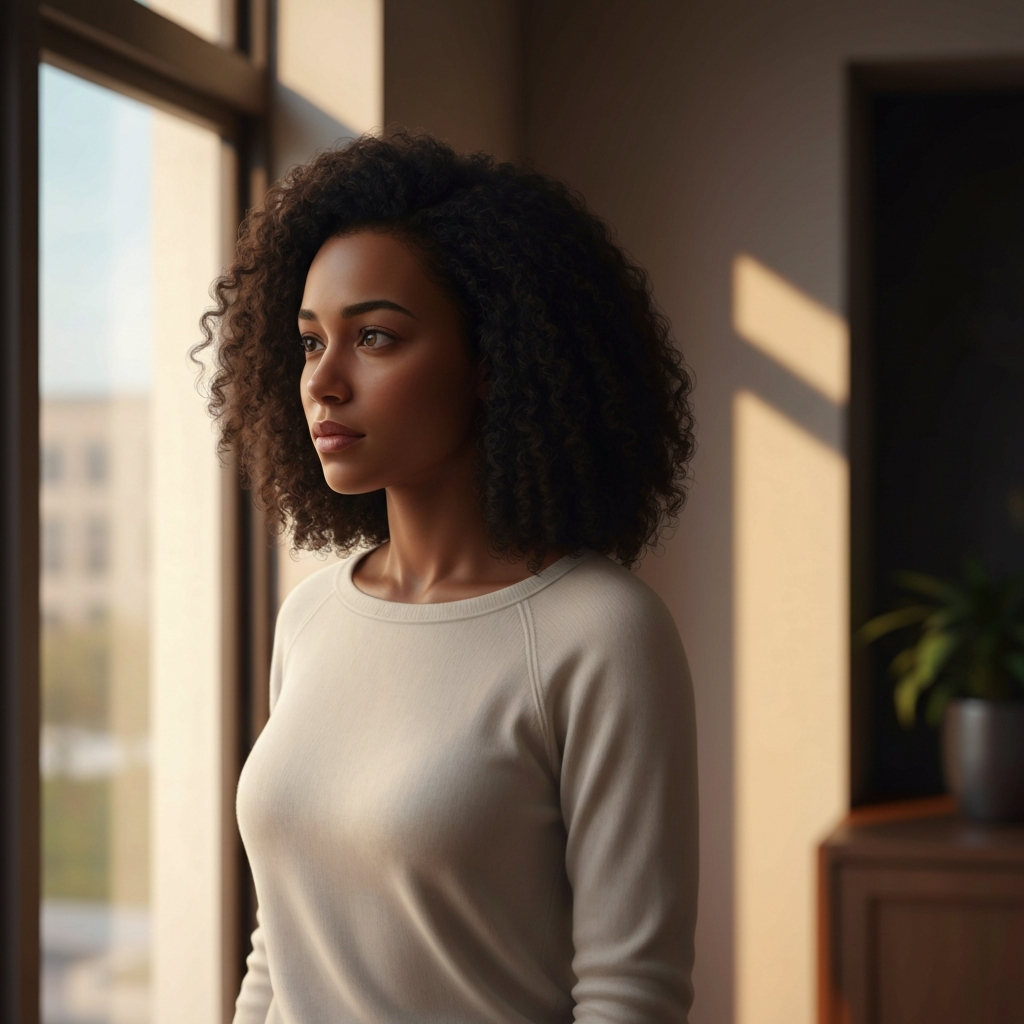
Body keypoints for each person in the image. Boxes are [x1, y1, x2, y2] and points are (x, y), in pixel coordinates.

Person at [197, 131, 699, 1024]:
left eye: (376, 337)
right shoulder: (311, 616)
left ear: (493, 362)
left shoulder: (601, 632)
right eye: (310, 343)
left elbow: (630, 996)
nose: (324, 382)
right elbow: (279, 954)